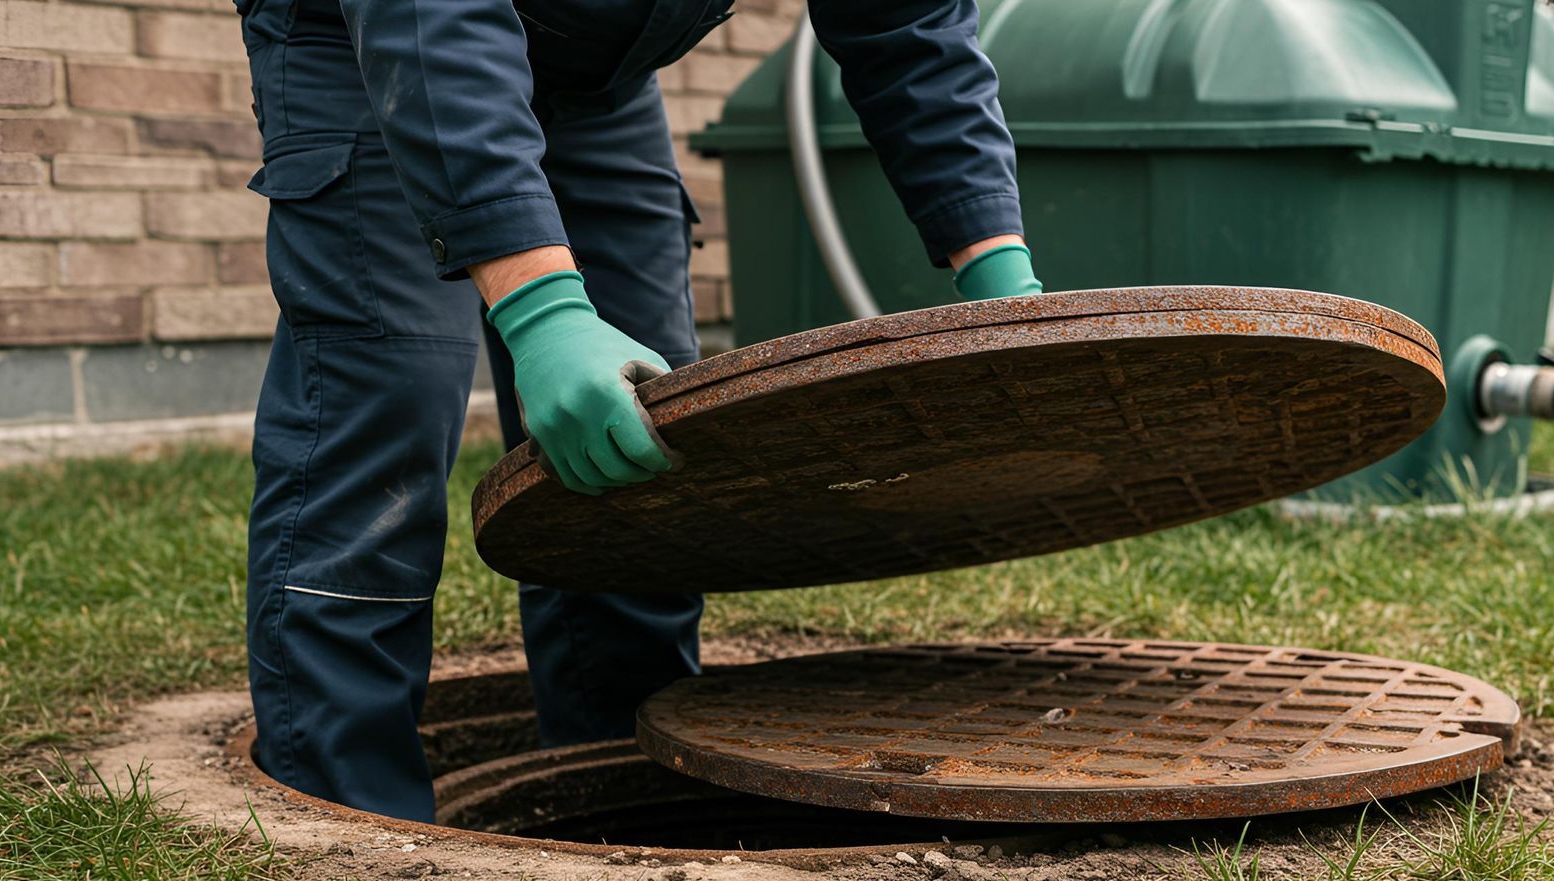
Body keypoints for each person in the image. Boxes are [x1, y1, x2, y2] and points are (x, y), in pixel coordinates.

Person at [238, 0, 1045, 822]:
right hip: (372, 37)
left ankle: (623, 789)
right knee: (388, 403)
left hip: (598, 73)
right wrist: (543, 309)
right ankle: (342, 819)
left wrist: (1000, 275)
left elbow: (907, 25)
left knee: (642, 426)